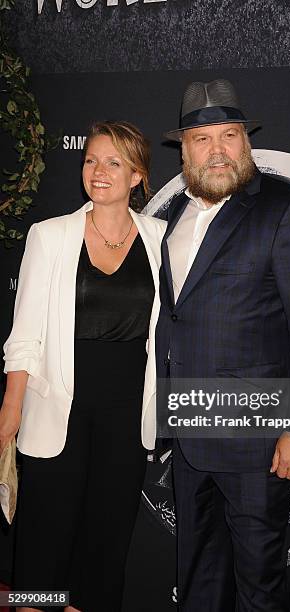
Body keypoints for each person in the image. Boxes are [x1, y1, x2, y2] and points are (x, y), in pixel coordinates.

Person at [156, 80, 290, 611]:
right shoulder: (170, 222)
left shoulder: (287, 209)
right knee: (198, 581)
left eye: (229, 135)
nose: (217, 150)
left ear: (246, 142)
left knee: (259, 587)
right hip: (189, 438)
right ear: (183, 149)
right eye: (202, 138)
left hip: (258, 444)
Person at [0, 120, 166, 612]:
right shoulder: (49, 236)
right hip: (59, 409)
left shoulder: (160, 238)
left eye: (114, 162)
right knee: (43, 537)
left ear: (136, 176)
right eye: (91, 160)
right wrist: (11, 408)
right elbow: (25, 330)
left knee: (105, 541)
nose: (98, 171)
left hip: (127, 412)